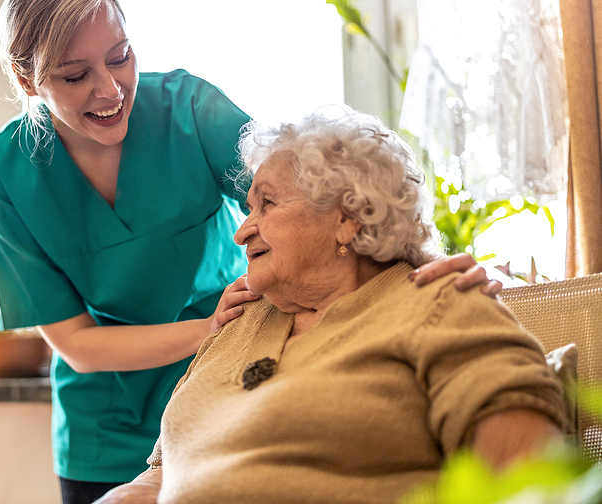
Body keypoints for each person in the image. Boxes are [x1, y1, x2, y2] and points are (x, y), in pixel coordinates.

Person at [0, 0, 501, 504]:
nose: (110, 89)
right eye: (74, 75)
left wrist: (433, 263)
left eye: (120, 56)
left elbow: (319, 204)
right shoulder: (6, 168)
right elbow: (76, 344)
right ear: (26, 79)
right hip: (107, 425)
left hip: (236, 388)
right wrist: (207, 332)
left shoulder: (189, 110)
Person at [95, 106, 566, 504]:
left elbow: (524, 474)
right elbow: (164, 475)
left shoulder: (440, 301)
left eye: (267, 205)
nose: (242, 232)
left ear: (346, 217)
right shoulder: (238, 321)